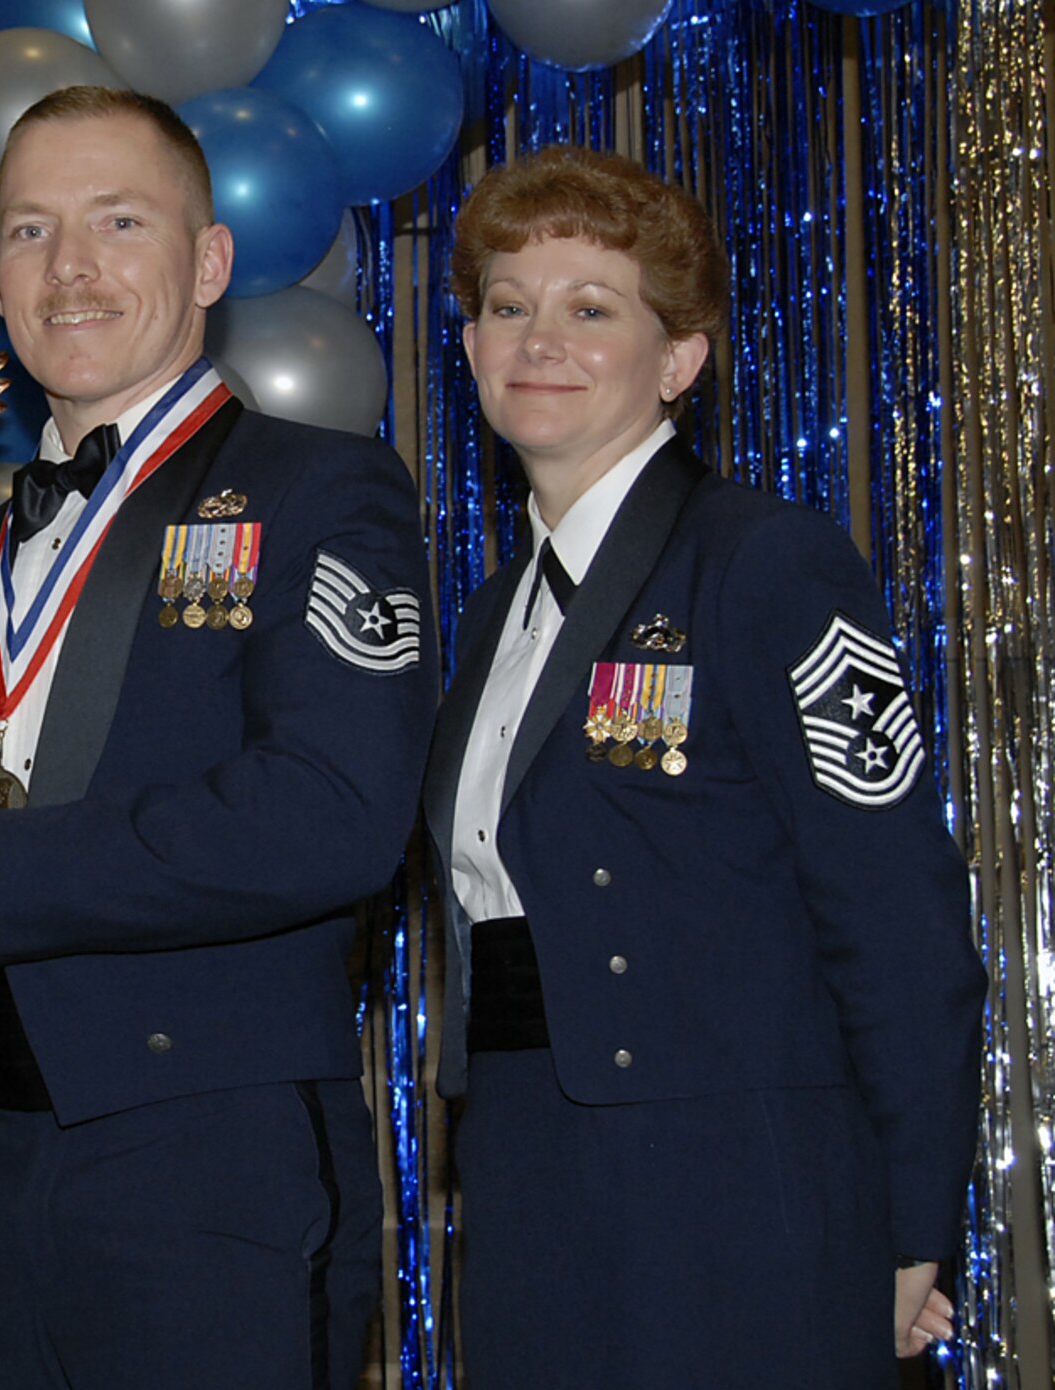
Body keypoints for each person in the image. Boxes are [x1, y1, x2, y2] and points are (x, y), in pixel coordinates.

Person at [0, 86, 435, 1388]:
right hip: (4, 1162)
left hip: (215, 1162)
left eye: (119, 221)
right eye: (33, 230)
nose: (72, 268)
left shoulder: (323, 493)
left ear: (210, 260)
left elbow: (335, 810)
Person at [422, 145, 986, 1388]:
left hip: (733, 1181)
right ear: (466, 349)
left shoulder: (769, 564)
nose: (536, 339)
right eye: (506, 307)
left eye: (589, 309)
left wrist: (910, 1224)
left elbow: (896, 916)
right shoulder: (487, 617)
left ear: (678, 358)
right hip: (524, 1165)